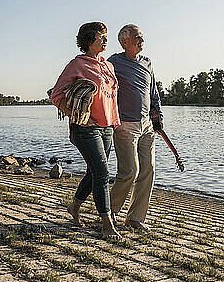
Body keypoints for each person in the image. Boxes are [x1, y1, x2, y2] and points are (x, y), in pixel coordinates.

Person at [50, 22, 121, 239]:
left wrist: (114, 122)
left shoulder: (108, 66)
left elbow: (112, 96)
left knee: (93, 173)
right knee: (102, 173)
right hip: (85, 128)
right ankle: (107, 224)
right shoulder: (77, 64)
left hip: (107, 126)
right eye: (101, 36)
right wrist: (77, 115)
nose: (106, 39)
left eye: (106, 35)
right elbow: (56, 94)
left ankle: (74, 207)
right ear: (90, 40)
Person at [108, 24, 164, 231]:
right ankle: (110, 212)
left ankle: (135, 218)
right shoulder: (113, 62)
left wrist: (158, 116)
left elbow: (153, 93)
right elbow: (103, 86)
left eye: (142, 37)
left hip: (147, 125)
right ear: (125, 42)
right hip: (125, 125)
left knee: (148, 170)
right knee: (129, 171)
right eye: (137, 37)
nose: (142, 40)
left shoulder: (147, 63)